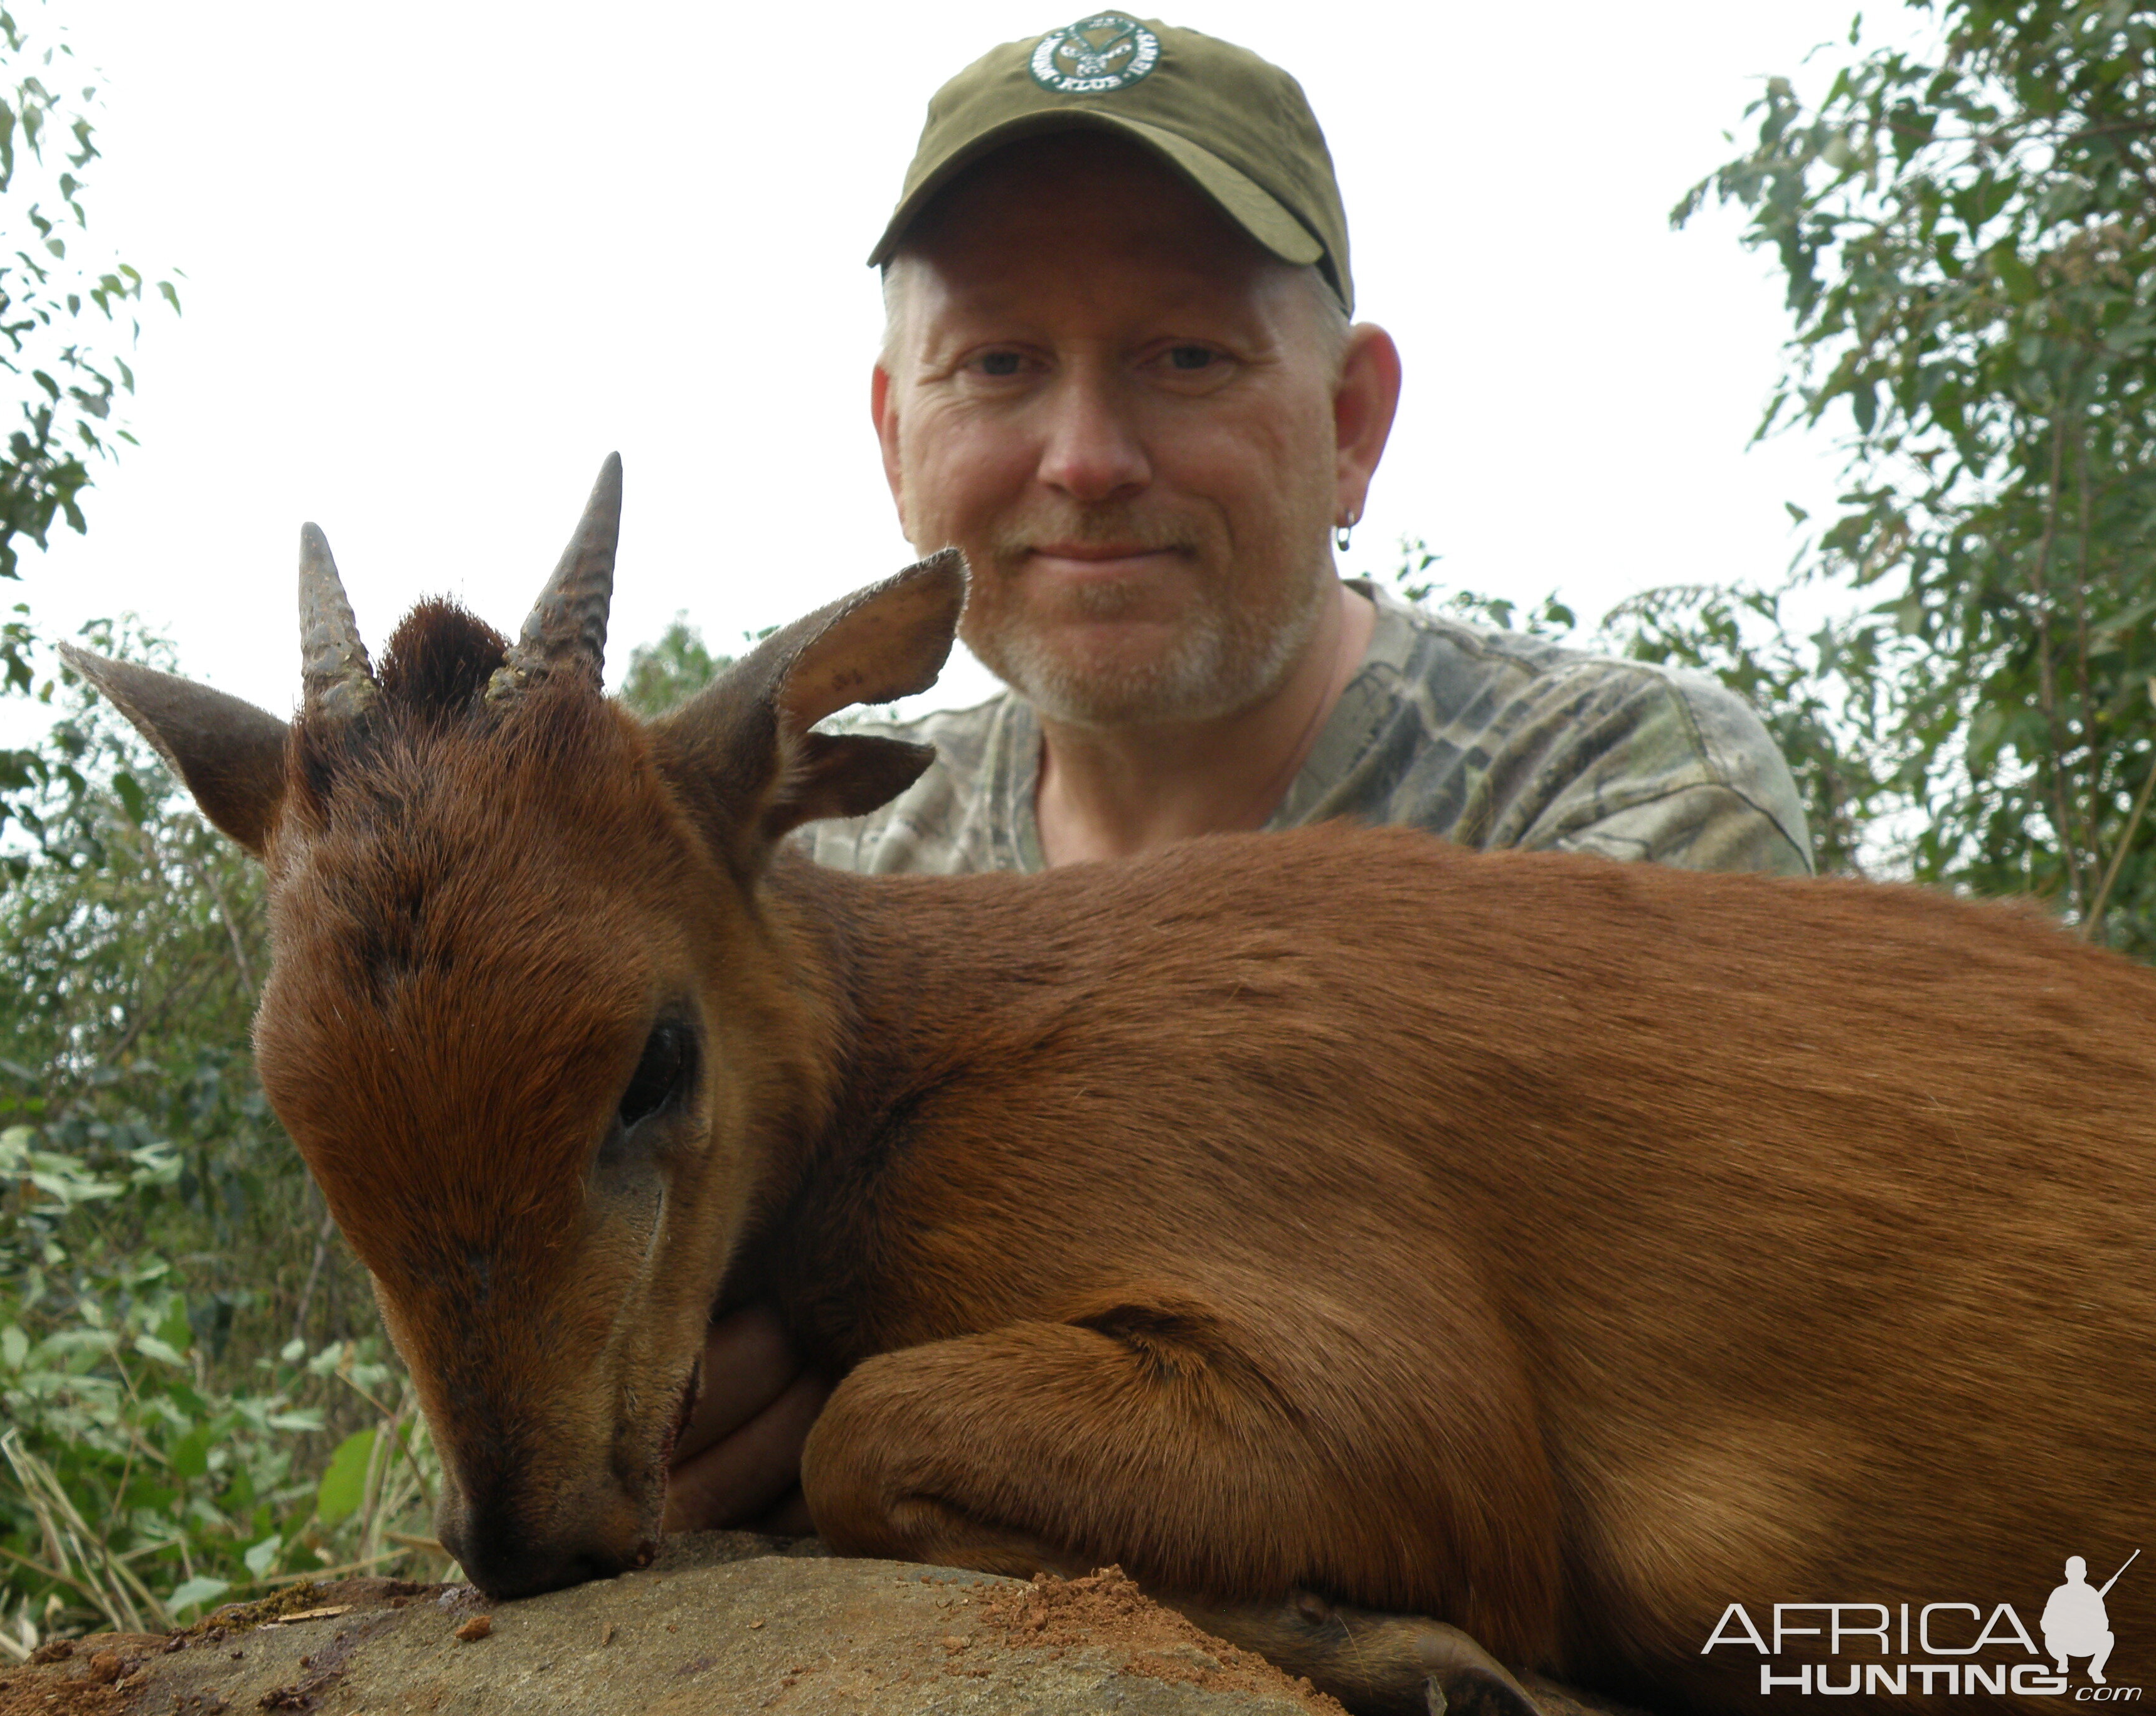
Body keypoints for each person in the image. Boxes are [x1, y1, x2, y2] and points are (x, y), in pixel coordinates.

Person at [665, 13, 1813, 1536]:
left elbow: (1654, 1432)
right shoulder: (820, 878)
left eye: (1185, 356)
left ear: (1349, 424)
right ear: (896, 442)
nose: (1085, 457)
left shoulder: (1613, 796)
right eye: (998, 364)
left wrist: (896, 1373)